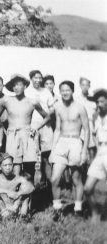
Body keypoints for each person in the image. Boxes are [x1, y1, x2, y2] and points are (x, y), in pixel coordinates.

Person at [0, 74, 50, 177]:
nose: (16, 87)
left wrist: (36, 128)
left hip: (28, 135)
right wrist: (2, 128)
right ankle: (16, 191)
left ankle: (29, 192)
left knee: (29, 168)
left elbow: (47, 117)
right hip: (13, 135)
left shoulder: (32, 101)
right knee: (14, 167)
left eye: (19, 85)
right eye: (14, 85)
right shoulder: (7, 101)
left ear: (25, 86)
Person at [50, 80, 90, 216]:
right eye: (62, 90)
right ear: (59, 92)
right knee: (54, 178)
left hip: (75, 142)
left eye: (68, 90)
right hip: (61, 142)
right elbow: (57, 129)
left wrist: (84, 152)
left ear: (72, 91)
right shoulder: (58, 107)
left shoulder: (80, 107)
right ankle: (57, 209)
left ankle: (78, 209)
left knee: (76, 179)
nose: (65, 93)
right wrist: (52, 150)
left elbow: (87, 129)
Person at [25, 70, 56, 185]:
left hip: (46, 125)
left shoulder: (46, 91)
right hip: (31, 126)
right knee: (31, 157)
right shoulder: (26, 91)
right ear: (31, 78)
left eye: (39, 78)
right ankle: (30, 186)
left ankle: (49, 185)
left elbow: (52, 110)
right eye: (35, 78)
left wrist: (46, 115)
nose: (37, 80)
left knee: (47, 156)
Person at [0, 153, 35, 220]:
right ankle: (2, 216)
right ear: (0, 167)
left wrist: (18, 193)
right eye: (5, 165)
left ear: (13, 165)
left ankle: (23, 215)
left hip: (15, 206)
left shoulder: (17, 178)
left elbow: (31, 187)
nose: (8, 168)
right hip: (1, 207)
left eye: (10, 165)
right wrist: (7, 192)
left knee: (25, 190)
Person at [84, 89, 107, 223]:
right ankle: (95, 213)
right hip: (100, 153)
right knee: (88, 188)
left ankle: (104, 211)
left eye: (102, 101)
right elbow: (94, 134)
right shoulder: (95, 117)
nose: (99, 104)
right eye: (97, 102)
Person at [75, 77, 97, 162]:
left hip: (91, 126)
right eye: (83, 85)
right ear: (80, 86)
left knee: (92, 151)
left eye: (87, 85)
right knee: (80, 152)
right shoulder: (76, 99)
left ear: (89, 86)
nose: (85, 87)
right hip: (80, 127)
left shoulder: (93, 100)